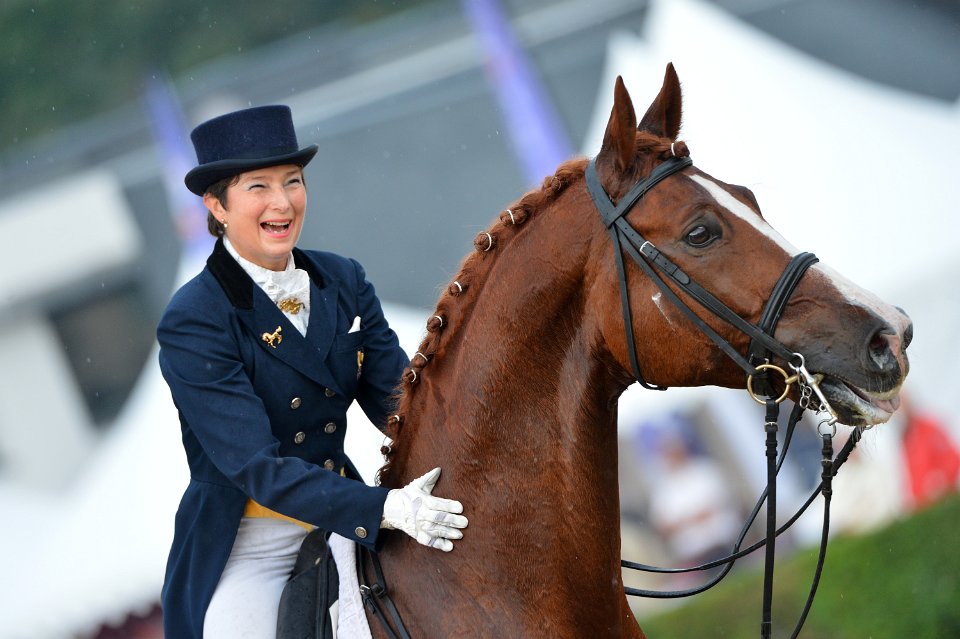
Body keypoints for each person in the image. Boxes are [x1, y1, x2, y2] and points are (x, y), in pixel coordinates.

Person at [158, 105, 468, 638]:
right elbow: (258, 468)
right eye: (259, 187)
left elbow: (402, 402)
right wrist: (386, 507)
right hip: (253, 542)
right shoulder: (194, 319)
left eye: (293, 181)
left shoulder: (343, 279)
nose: (282, 202)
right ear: (217, 205)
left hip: (343, 512)